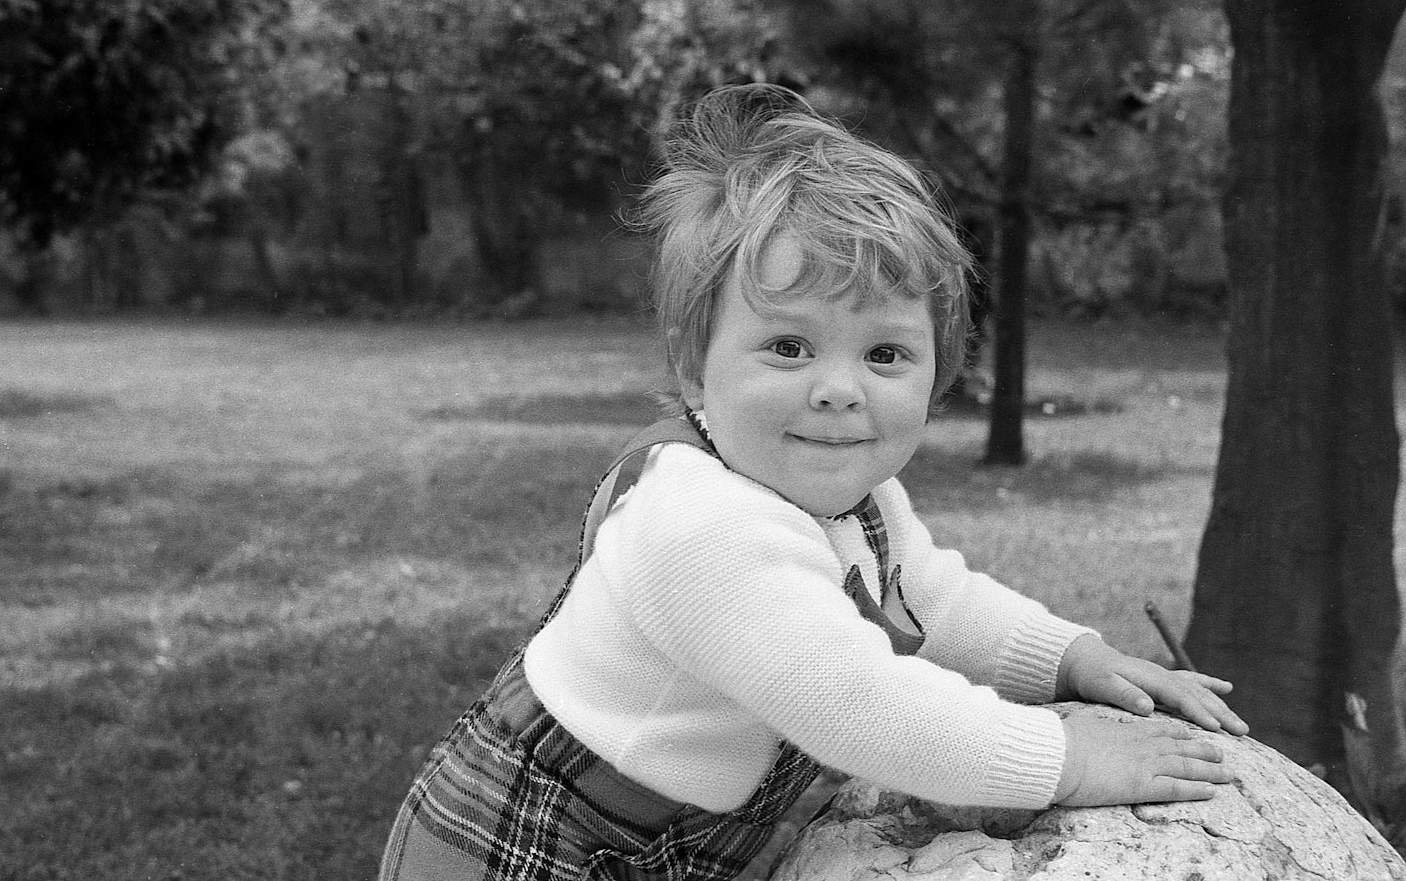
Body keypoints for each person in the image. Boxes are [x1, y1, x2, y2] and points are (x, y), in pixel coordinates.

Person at [377, 84, 1249, 881]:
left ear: (936, 379)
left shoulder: (856, 504)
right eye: (789, 346)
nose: (839, 387)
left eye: (885, 354)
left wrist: (1077, 657)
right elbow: (864, 707)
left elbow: (935, 600)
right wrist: (1068, 761)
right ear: (693, 368)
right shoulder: (702, 525)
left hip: (649, 842)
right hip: (526, 851)